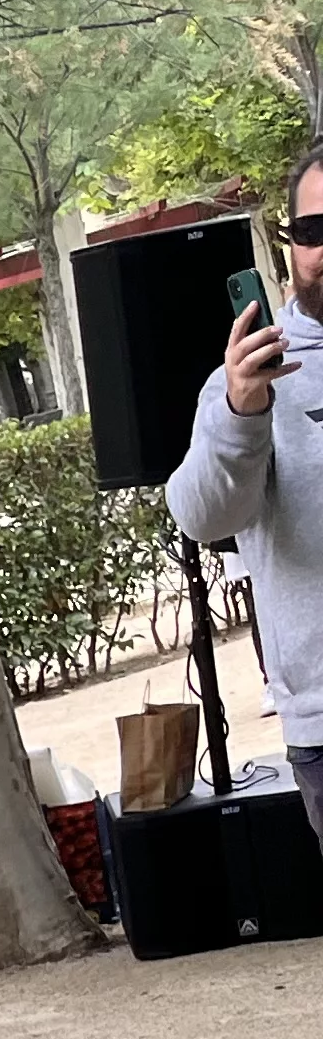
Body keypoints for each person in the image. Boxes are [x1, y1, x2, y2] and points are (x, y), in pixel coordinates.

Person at [168, 141, 323, 841]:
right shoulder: (250, 385)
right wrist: (243, 412)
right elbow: (203, 515)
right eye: (316, 232)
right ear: (290, 245)